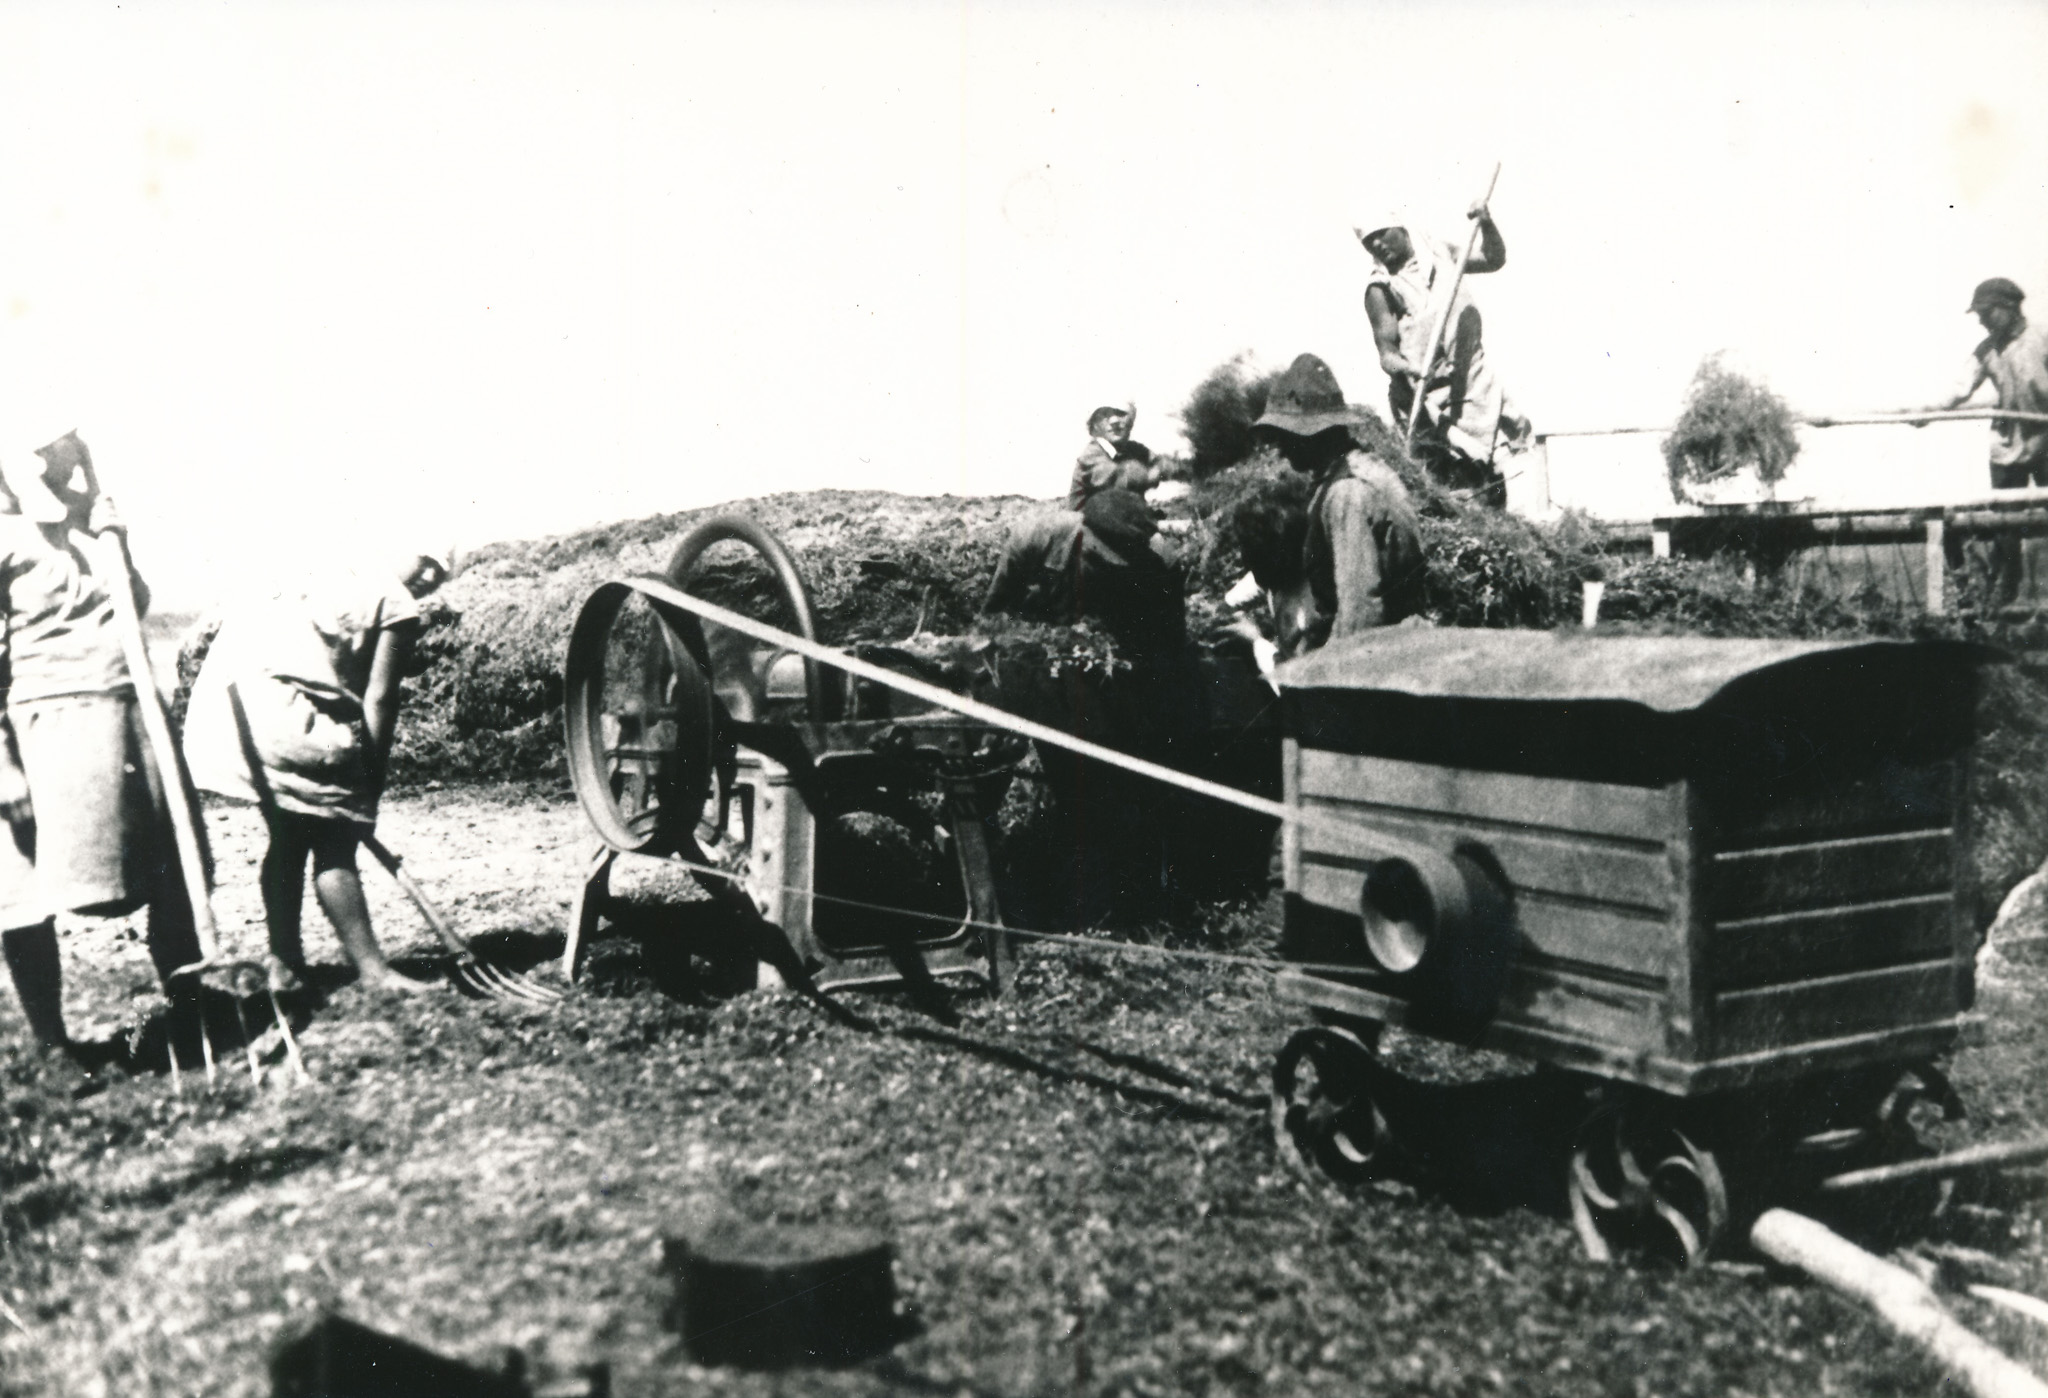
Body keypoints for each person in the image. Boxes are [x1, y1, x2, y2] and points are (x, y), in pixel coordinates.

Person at [0, 428, 206, 1064]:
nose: (67, 465)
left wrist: (119, 539)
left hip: (131, 711)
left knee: (173, 866)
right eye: (51, 455)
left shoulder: (90, 521)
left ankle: (189, 1008)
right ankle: (52, 1042)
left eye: (70, 452)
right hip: (45, 726)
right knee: (25, 887)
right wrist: (4, 773)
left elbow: (131, 605)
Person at [181, 550, 453, 993]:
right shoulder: (396, 601)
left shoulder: (320, 565)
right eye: (426, 562)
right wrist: (369, 781)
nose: (429, 576)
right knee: (336, 841)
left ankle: (284, 963)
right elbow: (381, 698)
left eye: (440, 571)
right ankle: (374, 971)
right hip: (282, 715)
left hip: (226, 711)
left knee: (288, 835)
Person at [1356, 205, 1531, 506]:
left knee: (1490, 478)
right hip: (1427, 397)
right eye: (1368, 241)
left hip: (1472, 384)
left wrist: (1487, 223)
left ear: (1401, 228)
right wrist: (1408, 369)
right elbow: (1387, 354)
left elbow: (1493, 258)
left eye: (1381, 234)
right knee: (1450, 484)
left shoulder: (1441, 255)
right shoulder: (1381, 287)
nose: (1377, 244)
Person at [1249, 353, 1426, 650]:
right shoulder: (1347, 475)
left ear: (1313, 434)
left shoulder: (1346, 494)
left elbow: (1361, 618)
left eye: (1285, 435)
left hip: (1386, 653)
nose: (1279, 448)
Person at [1923, 277, 2048, 605]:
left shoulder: (2041, 339)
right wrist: (1929, 410)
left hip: (2046, 440)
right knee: (2004, 523)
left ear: (2009, 308)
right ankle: (2004, 596)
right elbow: (1960, 386)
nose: (1981, 321)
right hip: (2009, 445)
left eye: (1986, 313)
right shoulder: (1987, 350)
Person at [982, 487, 1185, 654]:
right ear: (1084, 532)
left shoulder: (1162, 565)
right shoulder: (1033, 538)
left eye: (1113, 566)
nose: (1102, 568)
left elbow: (1170, 641)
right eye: (1096, 558)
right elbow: (992, 615)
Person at [1066, 404, 1176, 509]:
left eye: (1121, 413)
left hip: (1122, 519)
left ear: (1131, 420)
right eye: (1105, 414)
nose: (1114, 421)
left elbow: (1165, 463)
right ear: (1095, 424)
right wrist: (1153, 474)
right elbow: (1121, 478)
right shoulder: (1091, 454)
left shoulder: (1133, 448)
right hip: (1087, 521)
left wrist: (1163, 467)